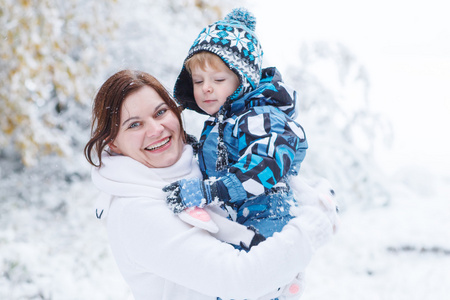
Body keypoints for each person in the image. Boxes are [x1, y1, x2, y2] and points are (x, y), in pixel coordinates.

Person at [84, 69, 336, 300]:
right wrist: (312, 227)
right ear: (112, 143)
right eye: (134, 124)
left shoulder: (201, 167)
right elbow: (239, 279)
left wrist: (311, 195)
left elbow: (266, 187)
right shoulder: (135, 210)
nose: (156, 129)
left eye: (160, 112)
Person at [165, 7, 309, 240]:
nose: (206, 88)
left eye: (218, 79)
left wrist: (212, 191)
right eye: (198, 81)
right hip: (240, 223)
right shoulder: (223, 122)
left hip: (267, 224)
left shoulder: (262, 117)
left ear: (244, 82)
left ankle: (285, 277)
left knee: (252, 272)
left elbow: (268, 161)